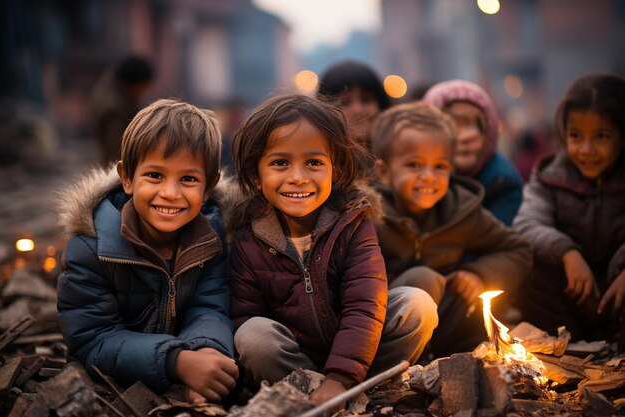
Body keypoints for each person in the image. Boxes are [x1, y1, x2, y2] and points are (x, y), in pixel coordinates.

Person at [229, 94, 438, 408]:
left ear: (334, 169)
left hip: (361, 350)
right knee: (252, 334)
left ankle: (367, 392)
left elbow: (365, 305)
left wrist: (339, 377)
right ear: (257, 176)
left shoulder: (352, 221)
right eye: (280, 163)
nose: (298, 177)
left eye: (313, 162)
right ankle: (307, 397)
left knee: (416, 305)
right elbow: (245, 314)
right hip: (296, 362)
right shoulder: (249, 238)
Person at [57, 98, 238, 404]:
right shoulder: (91, 247)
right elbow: (92, 340)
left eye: (188, 179)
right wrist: (177, 362)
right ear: (127, 177)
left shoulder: (212, 241)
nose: (170, 192)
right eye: (155, 175)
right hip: (111, 392)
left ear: (209, 187)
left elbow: (210, 309)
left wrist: (209, 352)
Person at [370, 102, 532, 357]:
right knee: (422, 279)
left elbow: (518, 249)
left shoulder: (460, 210)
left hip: (447, 326)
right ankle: (405, 368)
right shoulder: (369, 214)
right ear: (385, 172)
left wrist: (479, 275)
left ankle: (464, 360)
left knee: (474, 297)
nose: (429, 176)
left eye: (440, 166)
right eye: (414, 165)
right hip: (387, 327)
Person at [513, 73, 625, 345]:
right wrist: (567, 252)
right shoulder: (551, 177)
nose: (586, 149)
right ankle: (563, 347)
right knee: (530, 264)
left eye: (601, 136)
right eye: (576, 136)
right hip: (572, 302)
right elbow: (526, 223)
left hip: (617, 297)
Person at [423, 80, 523, 226]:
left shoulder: (503, 181)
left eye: (480, 125)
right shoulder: (415, 174)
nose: (470, 135)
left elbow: (500, 242)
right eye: (452, 123)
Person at [90, 55, 154, 167]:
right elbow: (116, 152)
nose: (145, 92)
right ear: (134, 83)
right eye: (144, 87)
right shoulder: (115, 111)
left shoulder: (119, 92)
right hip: (115, 169)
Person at [316, 59, 390, 149]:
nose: (357, 110)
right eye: (344, 102)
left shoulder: (399, 154)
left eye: (365, 99)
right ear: (324, 111)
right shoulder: (319, 160)